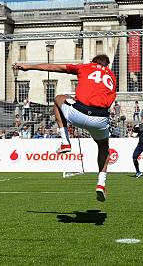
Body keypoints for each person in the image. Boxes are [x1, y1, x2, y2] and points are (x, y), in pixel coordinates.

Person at [13, 54, 116, 202]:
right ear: (107, 66)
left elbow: (52, 67)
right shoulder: (112, 76)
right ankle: (101, 183)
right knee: (104, 147)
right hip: (99, 119)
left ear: (93, 61)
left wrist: (28, 67)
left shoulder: (85, 67)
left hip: (78, 113)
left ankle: (65, 141)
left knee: (58, 98)